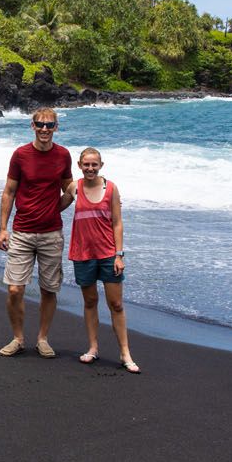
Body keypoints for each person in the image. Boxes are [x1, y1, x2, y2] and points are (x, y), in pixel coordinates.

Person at [0, 107, 74, 358]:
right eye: (40, 125)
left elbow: (68, 188)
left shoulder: (63, 155)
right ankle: (18, 338)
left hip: (52, 233)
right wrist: (2, 228)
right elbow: (9, 191)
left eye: (49, 125)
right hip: (22, 231)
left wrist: (85, 192)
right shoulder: (20, 155)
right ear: (32, 126)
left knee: (49, 289)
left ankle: (42, 338)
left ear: (56, 127)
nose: (44, 129)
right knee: (14, 289)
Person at [70, 148, 138, 373]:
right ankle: (93, 348)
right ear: (79, 165)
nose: (90, 168)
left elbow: (117, 223)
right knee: (90, 302)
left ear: (101, 165)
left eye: (94, 165)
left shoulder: (111, 189)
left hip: (108, 254)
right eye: (86, 165)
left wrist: (119, 255)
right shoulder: (74, 188)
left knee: (116, 305)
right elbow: (54, 205)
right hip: (83, 253)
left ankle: (125, 353)